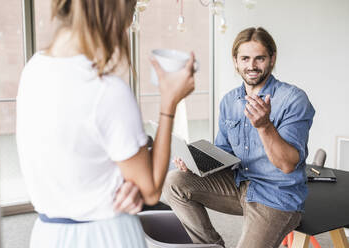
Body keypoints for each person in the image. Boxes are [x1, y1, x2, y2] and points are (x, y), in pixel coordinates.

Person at [16, 0, 195, 247]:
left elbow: (76, 155)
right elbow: (151, 190)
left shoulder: (33, 70)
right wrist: (169, 103)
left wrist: (122, 182)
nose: (128, 24)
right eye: (130, 12)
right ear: (111, 12)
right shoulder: (107, 91)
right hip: (106, 236)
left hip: (48, 235)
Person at [163, 27, 315, 248]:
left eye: (259, 58)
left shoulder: (293, 99)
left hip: (276, 197)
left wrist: (265, 127)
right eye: (245, 58)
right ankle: (211, 245)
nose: (251, 66)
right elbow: (224, 153)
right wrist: (195, 163)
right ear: (235, 61)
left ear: (272, 59)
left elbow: (288, 164)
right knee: (174, 181)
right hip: (238, 185)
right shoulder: (229, 101)